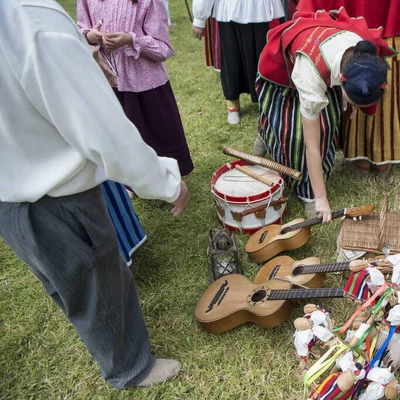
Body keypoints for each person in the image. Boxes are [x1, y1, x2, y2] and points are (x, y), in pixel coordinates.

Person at [0, 0, 191, 389]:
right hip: (56, 193)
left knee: (67, 282)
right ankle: (131, 367)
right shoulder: (31, 17)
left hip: (9, 192)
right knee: (97, 279)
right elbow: (104, 130)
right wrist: (167, 182)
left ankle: (112, 349)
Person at [254, 8, 394, 220]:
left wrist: (354, 104)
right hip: (283, 68)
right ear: (340, 78)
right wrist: (321, 197)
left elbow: (361, 84)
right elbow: (312, 147)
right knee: (295, 136)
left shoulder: (364, 57)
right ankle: (308, 192)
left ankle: (311, 185)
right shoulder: (311, 72)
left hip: (322, 68)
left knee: (327, 126)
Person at [297, 0, 400, 174]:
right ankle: (381, 156)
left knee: (359, 80)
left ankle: (362, 156)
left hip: (354, 29)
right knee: (369, 81)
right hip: (380, 30)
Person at [78, 0, 195, 180]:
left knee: (153, 134)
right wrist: (90, 35)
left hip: (145, 84)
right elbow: (80, 30)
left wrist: (131, 40)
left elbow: (163, 49)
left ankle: (165, 178)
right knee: (117, 136)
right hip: (107, 82)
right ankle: (128, 180)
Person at [191, 0, 285, 125]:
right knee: (232, 60)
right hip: (231, 10)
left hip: (262, 9)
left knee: (263, 60)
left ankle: (267, 103)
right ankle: (232, 104)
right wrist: (199, 18)